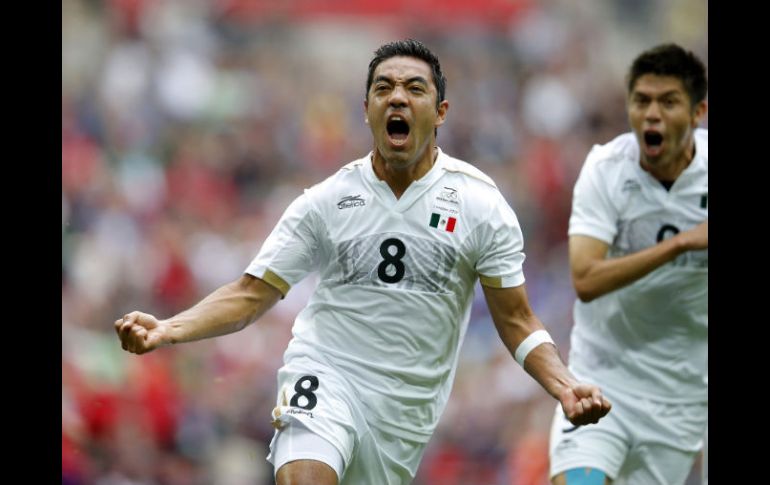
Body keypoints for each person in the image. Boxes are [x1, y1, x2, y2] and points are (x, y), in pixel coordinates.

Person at [115, 39, 611, 485]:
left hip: (402, 418)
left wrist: (565, 386)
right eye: (384, 88)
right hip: (326, 374)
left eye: (414, 88)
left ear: (439, 112)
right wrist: (167, 329)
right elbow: (249, 295)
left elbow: (517, 320)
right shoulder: (325, 201)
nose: (397, 97)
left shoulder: (480, 206)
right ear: (368, 109)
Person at [548, 43, 707, 485]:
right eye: (642, 101)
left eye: (669, 101)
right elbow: (585, 277)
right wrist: (681, 245)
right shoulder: (605, 170)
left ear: (698, 113)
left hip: (680, 398)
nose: (652, 114)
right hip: (600, 380)